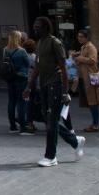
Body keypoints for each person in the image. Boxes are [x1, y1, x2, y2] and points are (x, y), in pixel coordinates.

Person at [23, 17, 83, 167]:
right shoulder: (39, 43)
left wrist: (65, 91)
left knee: (51, 121)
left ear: (46, 27)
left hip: (55, 85)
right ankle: (75, 141)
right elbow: (37, 67)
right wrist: (29, 86)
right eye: (34, 26)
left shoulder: (55, 42)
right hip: (43, 85)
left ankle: (51, 156)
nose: (35, 29)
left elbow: (63, 68)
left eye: (38, 26)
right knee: (47, 119)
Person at [72, 29, 99, 132]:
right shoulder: (83, 47)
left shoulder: (90, 47)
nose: (79, 38)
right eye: (78, 36)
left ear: (86, 37)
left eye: (81, 36)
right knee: (90, 101)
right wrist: (77, 58)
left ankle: (96, 124)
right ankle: (94, 123)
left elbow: (93, 60)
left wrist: (79, 58)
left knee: (93, 100)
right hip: (85, 77)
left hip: (92, 77)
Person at [3, 30, 30, 133]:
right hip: (21, 77)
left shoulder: (5, 49)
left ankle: (12, 126)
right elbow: (27, 63)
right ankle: (23, 127)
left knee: (11, 101)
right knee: (21, 102)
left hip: (10, 77)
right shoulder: (22, 51)